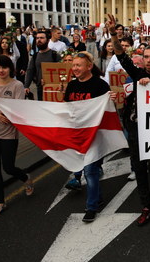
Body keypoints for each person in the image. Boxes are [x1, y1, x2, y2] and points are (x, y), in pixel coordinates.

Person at [107, 14, 150, 227]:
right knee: (139, 167)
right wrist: (114, 34)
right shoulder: (136, 74)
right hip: (134, 127)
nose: (149, 60)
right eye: (146, 57)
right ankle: (146, 206)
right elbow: (121, 55)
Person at [0, 55, 33, 217]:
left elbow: (18, 108)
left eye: (4, 67)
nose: (1, 71)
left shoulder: (17, 85)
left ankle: (26, 178)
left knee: (8, 167)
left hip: (9, 133)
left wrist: (0, 99)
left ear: (10, 68)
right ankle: (0, 202)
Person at [63, 51, 112, 223]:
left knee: (90, 171)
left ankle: (92, 207)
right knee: (88, 169)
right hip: (78, 134)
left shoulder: (100, 85)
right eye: (74, 65)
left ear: (89, 66)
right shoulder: (71, 85)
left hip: (95, 134)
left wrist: (110, 99)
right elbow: (67, 107)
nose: (75, 68)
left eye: (78, 65)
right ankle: (97, 197)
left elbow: (108, 110)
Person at [24, 30, 60, 101]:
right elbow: (30, 71)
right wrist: (26, 86)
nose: (39, 40)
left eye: (42, 38)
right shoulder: (35, 56)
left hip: (54, 89)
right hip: (40, 89)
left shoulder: (55, 55)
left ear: (48, 40)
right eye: (37, 38)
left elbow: (61, 72)